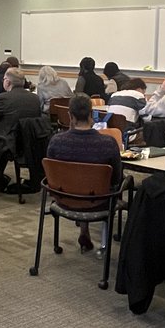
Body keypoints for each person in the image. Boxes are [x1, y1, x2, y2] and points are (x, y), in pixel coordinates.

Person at [46, 94, 124, 251]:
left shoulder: (56, 141)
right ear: (92, 114)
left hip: (64, 199)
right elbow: (117, 178)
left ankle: (84, 230)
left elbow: (50, 175)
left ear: (70, 115)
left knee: (79, 182)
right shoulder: (108, 143)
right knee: (94, 185)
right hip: (99, 202)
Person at [0, 67, 42, 191]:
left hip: (7, 142)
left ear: (7, 82)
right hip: (28, 142)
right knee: (2, 136)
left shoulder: (3, 98)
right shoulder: (35, 98)